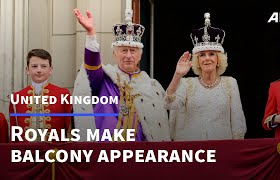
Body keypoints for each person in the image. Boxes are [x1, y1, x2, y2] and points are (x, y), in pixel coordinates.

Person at [72, 8, 170, 142]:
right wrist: (91, 34)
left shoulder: (152, 87)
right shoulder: (104, 78)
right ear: (115, 53)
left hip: (139, 154)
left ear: (140, 55)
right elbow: (92, 66)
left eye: (133, 51)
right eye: (124, 50)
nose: (128, 55)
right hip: (106, 153)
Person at [165, 13, 247, 141]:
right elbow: (169, 104)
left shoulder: (230, 83)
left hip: (222, 149)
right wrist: (177, 75)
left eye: (211, 54)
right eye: (202, 55)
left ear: (218, 59)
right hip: (191, 151)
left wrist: (236, 150)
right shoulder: (186, 84)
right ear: (197, 60)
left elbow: (238, 121)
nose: (207, 58)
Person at [9, 49, 72, 142]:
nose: (39, 70)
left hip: (55, 152)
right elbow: (13, 133)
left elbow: (69, 129)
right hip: (26, 154)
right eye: (34, 66)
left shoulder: (63, 94)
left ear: (50, 70)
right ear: (27, 70)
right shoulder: (16, 97)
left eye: (43, 66)